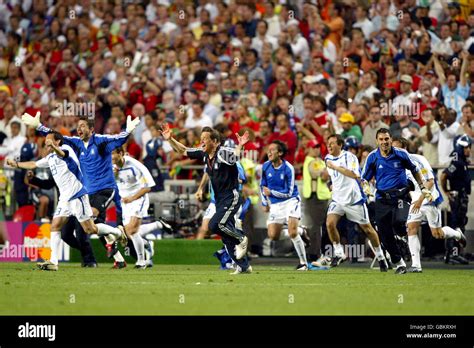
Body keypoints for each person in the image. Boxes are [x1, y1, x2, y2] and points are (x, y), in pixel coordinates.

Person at [22, 111, 140, 269]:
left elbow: (119, 139)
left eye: (83, 126)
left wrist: (128, 130)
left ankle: (104, 249)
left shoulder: (101, 141)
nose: (79, 128)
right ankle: (117, 246)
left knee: (89, 222)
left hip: (105, 189)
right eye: (78, 126)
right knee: (84, 227)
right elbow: (56, 137)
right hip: (86, 191)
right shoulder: (76, 143)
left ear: (92, 130)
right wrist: (39, 126)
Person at [7, 132, 126, 271]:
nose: (47, 143)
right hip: (64, 199)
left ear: (57, 141)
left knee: (90, 228)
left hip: (77, 195)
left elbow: (63, 154)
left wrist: (55, 147)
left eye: (49, 141)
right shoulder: (50, 158)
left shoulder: (66, 150)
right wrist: (16, 164)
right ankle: (53, 262)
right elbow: (33, 164)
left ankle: (117, 233)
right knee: (55, 226)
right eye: (46, 141)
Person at [161, 123, 252, 274]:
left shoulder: (222, 153)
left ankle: (241, 239)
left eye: (205, 139)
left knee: (214, 225)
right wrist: (170, 139)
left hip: (231, 196)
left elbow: (235, 156)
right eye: (201, 138)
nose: (202, 141)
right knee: (224, 235)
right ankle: (243, 266)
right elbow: (183, 150)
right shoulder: (204, 153)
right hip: (219, 199)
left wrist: (240, 145)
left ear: (215, 142)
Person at [361, 128, 431, 274]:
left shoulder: (401, 154)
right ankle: (399, 263)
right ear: (377, 141)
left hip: (401, 195)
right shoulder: (373, 157)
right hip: (382, 198)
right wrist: (366, 188)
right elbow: (364, 179)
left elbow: (415, 170)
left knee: (399, 222)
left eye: (386, 139)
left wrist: (422, 187)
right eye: (381, 139)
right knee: (384, 234)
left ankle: (402, 238)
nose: (384, 142)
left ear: (390, 139)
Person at [392, 137, 467, 273]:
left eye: (396, 148)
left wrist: (420, 199)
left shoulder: (418, 160)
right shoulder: (395, 165)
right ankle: (416, 265)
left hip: (428, 199)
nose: (393, 151)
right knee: (411, 228)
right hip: (415, 201)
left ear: (404, 148)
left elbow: (430, 182)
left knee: (437, 234)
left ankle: (457, 234)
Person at [325, 134, 388, 271]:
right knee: (330, 223)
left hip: (353, 199)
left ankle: (381, 257)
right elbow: (334, 178)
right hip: (337, 199)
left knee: (368, 229)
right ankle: (339, 253)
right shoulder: (327, 158)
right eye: (328, 143)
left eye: (332, 143)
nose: (329, 146)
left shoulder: (349, 157)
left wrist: (335, 167)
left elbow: (354, 174)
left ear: (340, 145)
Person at [261, 140, 311, 271]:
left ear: (280, 153)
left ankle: (303, 263)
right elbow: (262, 186)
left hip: (291, 201)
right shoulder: (265, 166)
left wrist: (271, 192)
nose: (269, 152)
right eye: (268, 149)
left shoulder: (288, 168)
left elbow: (289, 192)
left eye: (272, 150)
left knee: (292, 233)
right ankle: (301, 230)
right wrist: (264, 201)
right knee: (273, 236)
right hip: (276, 205)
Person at [112, 146, 159, 269]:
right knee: (129, 233)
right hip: (124, 201)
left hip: (138, 198)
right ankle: (147, 244)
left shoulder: (135, 165)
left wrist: (132, 198)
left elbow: (148, 187)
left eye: (113, 154)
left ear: (121, 153)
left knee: (131, 229)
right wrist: (112, 176)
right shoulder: (110, 167)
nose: (110, 157)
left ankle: (141, 261)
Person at [440, 134, 472, 265]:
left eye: (469, 147)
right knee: (457, 226)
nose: (469, 150)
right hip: (457, 197)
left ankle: (451, 254)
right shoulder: (457, 162)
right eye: (466, 147)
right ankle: (454, 254)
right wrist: (447, 192)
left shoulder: (462, 161)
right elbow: (443, 176)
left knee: (458, 224)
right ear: (460, 147)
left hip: (461, 197)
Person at [301, 140, 331, 263]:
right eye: (314, 147)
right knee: (316, 227)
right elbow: (323, 176)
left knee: (321, 226)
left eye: (318, 147)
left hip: (320, 197)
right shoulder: (312, 161)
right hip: (316, 198)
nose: (316, 149)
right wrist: (328, 171)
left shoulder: (317, 161)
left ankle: (318, 252)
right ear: (309, 149)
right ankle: (315, 254)